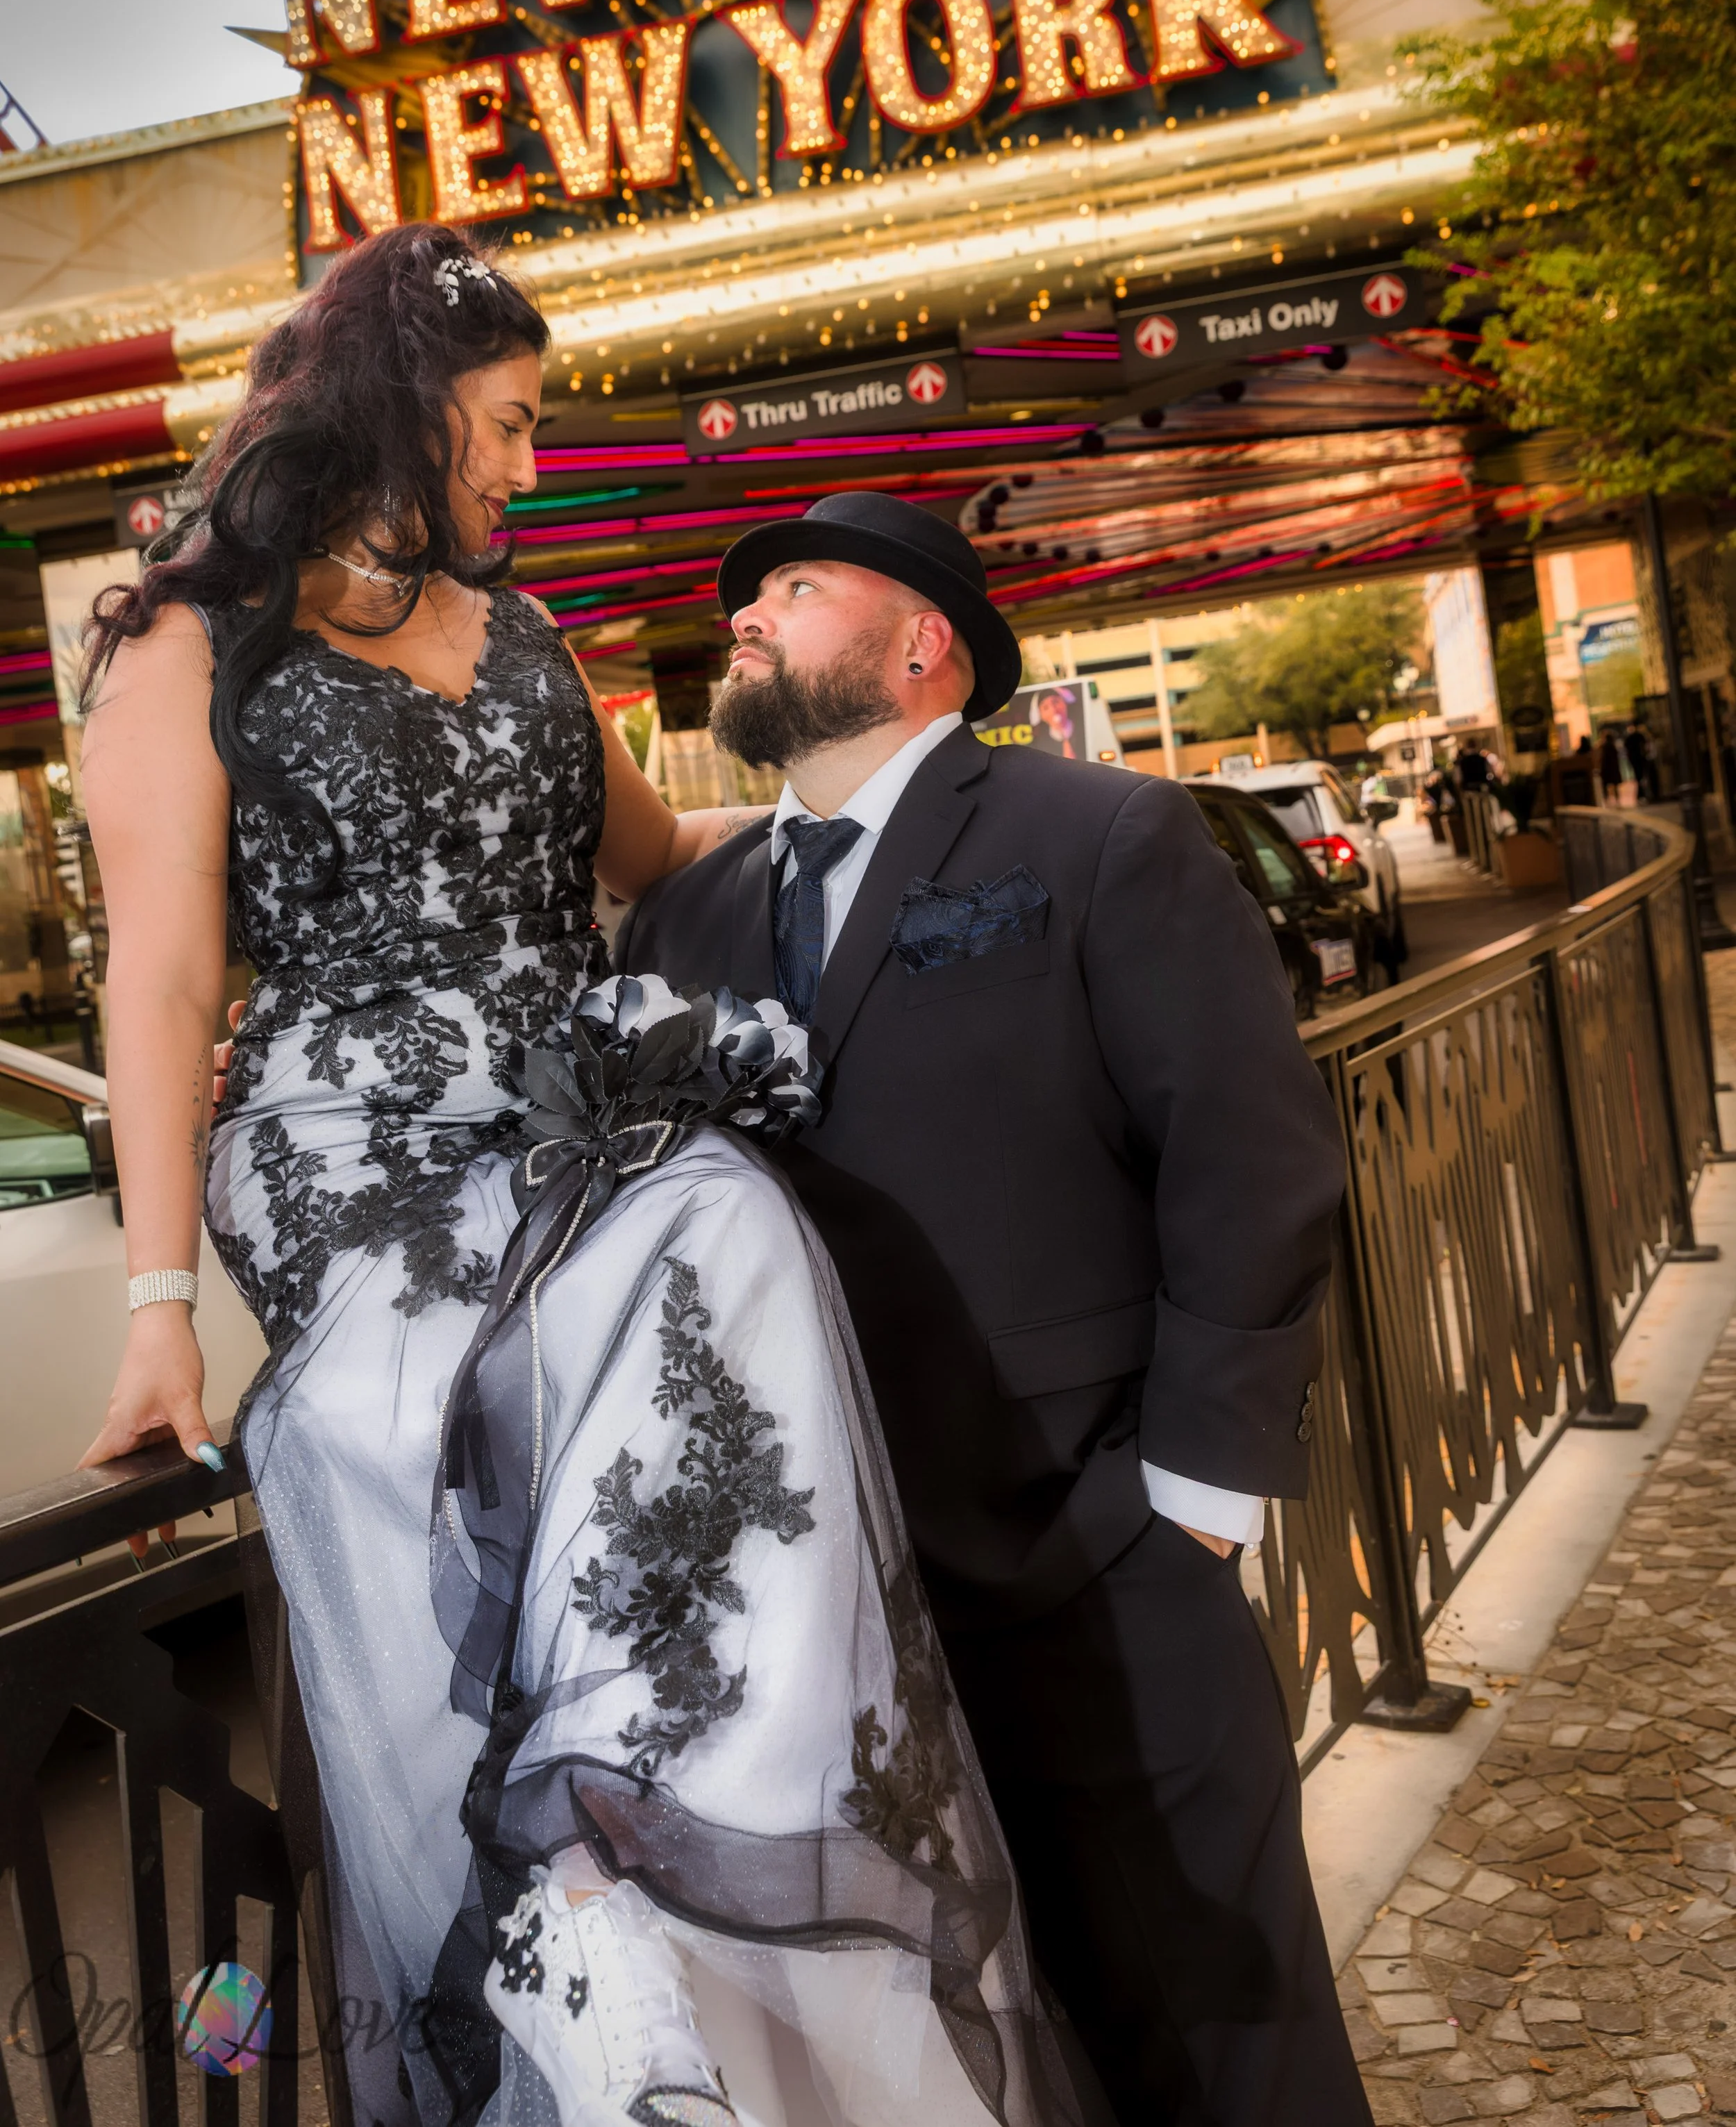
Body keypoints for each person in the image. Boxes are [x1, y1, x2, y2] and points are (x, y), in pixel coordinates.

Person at [78, 228, 1076, 2127]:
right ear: (400, 392)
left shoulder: (526, 632)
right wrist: (153, 1308)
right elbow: (163, 972)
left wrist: (896, 787)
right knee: (489, 1390)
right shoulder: (187, 638)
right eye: (513, 422)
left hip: (568, 1108)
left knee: (730, 1227)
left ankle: (630, 1902)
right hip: (349, 1147)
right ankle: (565, 1924)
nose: (531, 467)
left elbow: (656, 849)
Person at [620, 491, 1372, 2127]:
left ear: (921, 642)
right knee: (977, 2048)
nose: (740, 618)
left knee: (1209, 2017)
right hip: (826, 1615)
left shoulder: (1101, 838)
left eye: (793, 590)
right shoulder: (683, 917)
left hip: (1092, 1550)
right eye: (742, 600)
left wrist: (1191, 1495)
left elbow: (1248, 1159)